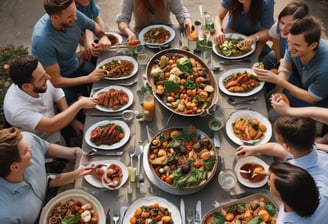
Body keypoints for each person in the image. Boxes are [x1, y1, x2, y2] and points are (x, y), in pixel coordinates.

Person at [0, 127, 95, 223]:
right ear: (15, 167)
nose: (30, 148)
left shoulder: (28, 140)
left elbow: (45, 179)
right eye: (26, 151)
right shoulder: (6, 215)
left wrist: (78, 168)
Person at [31, 0, 111, 107]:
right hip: (62, 83)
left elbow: (93, 26)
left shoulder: (73, 14)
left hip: (76, 64)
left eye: (75, 13)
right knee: (77, 114)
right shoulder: (42, 41)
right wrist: (88, 78)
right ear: (55, 17)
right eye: (70, 16)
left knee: (108, 82)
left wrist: (103, 37)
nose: (76, 17)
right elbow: (56, 81)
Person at [3, 55, 98, 145]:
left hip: (58, 129)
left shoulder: (39, 77)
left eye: (44, 73)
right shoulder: (15, 110)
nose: (48, 78)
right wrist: (79, 104)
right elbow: (51, 125)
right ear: (26, 86)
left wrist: (72, 121)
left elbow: (57, 93)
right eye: (42, 78)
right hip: (40, 144)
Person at [253, 16, 328, 108]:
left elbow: (312, 98)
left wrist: (279, 80)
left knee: (274, 117)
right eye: (289, 41)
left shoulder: (324, 69)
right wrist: (279, 90)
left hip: (316, 102)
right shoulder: (293, 41)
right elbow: (286, 66)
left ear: (313, 45)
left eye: (296, 45)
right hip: (298, 83)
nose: (290, 47)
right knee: (267, 100)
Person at [236, 116, 328, 186]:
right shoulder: (309, 151)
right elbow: (274, 149)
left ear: (286, 147)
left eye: (278, 141)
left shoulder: (294, 175)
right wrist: (254, 149)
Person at [261, 2, 309, 70]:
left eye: (290, 25)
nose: (283, 28)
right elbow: (274, 39)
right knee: (265, 61)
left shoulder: (305, 44)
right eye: (282, 22)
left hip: (297, 70)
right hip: (282, 60)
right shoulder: (278, 27)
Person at [116, 0, 194, 41]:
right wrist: (129, 32)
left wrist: (188, 22)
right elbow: (123, 19)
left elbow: (181, 12)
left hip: (167, 37)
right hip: (140, 36)